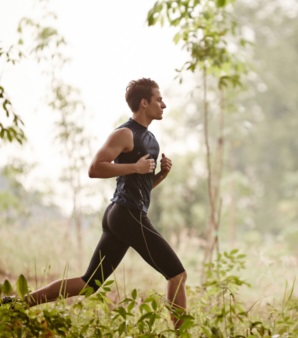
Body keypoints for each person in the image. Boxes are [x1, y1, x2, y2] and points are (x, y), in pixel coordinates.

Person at [1, 78, 187, 329]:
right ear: (144, 103)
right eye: (159, 99)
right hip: (126, 213)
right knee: (177, 274)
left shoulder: (151, 139)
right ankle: (183, 333)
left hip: (125, 213)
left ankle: (16, 305)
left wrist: (160, 175)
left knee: (90, 284)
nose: (164, 104)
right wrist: (135, 166)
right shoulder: (125, 133)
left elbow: (140, 188)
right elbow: (95, 168)